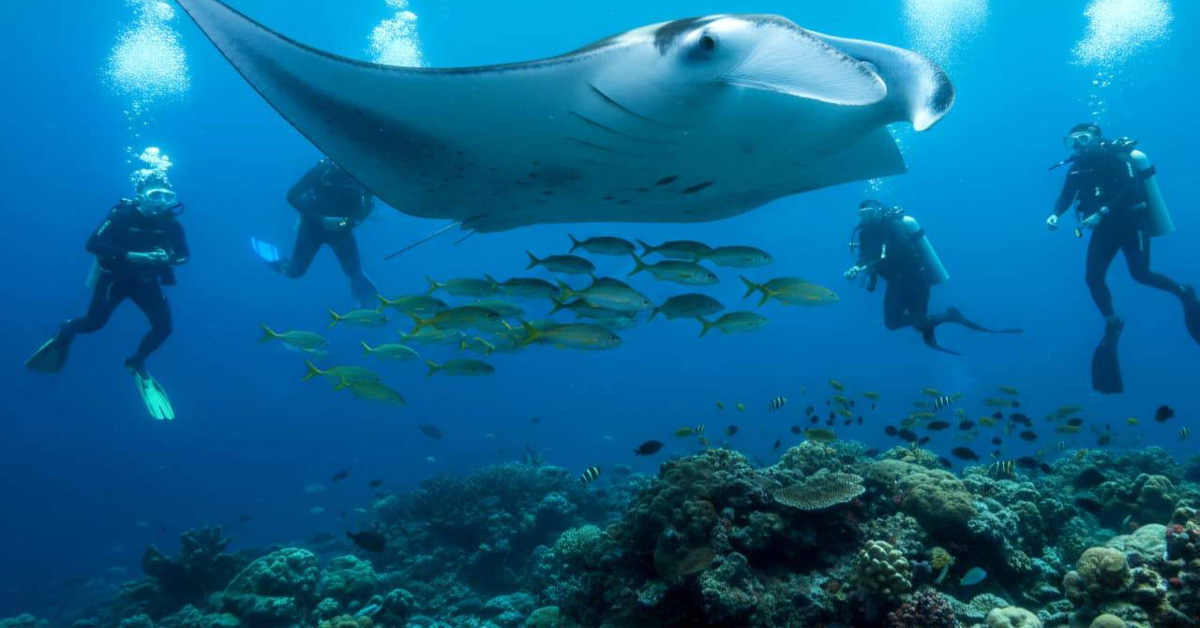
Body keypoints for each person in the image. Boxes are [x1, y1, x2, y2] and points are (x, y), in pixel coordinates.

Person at [1046, 123, 1199, 394]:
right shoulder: (1077, 167)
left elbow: (1129, 187)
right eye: (1072, 140)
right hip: (1104, 229)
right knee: (1092, 278)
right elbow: (1066, 195)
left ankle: (1183, 292)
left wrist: (1102, 211)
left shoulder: (1118, 158)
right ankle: (1111, 320)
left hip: (1131, 222)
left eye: (1083, 138)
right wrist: (1055, 214)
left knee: (1140, 274)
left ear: (1096, 137)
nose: (1078, 144)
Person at [25, 171, 188, 420]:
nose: (160, 202)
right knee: (93, 325)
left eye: (166, 196)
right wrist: (128, 255)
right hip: (115, 279)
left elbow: (184, 255)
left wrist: (168, 258)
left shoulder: (171, 224)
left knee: (164, 328)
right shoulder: (121, 216)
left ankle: (136, 362)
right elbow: (93, 244)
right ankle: (66, 331)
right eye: (155, 195)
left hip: (146, 282)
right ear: (141, 196)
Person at [845, 200, 1021, 354]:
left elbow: (896, 252)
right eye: (863, 214)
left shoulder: (894, 226)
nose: (868, 218)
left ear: (880, 211)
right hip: (896, 281)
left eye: (871, 213)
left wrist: (870, 264)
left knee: (908, 322)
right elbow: (863, 256)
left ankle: (950, 318)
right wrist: (857, 267)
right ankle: (951, 316)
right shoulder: (864, 233)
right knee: (907, 323)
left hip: (915, 279)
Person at [253, 158, 379, 309]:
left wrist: (352, 221)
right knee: (295, 272)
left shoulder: (361, 175)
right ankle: (274, 259)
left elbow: (369, 203)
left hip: (342, 230)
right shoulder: (322, 170)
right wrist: (321, 218)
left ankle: (365, 301)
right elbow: (292, 195)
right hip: (313, 228)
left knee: (354, 272)